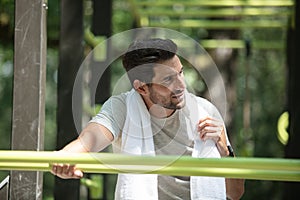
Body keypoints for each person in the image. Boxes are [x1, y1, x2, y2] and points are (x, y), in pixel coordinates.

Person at [51, 38, 244, 200]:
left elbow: (235, 193)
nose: (181, 85)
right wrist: (65, 157)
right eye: (168, 80)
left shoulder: (205, 112)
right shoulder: (123, 107)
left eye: (181, 72)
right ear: (141, 88)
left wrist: (226, 151)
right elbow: (88, 141)